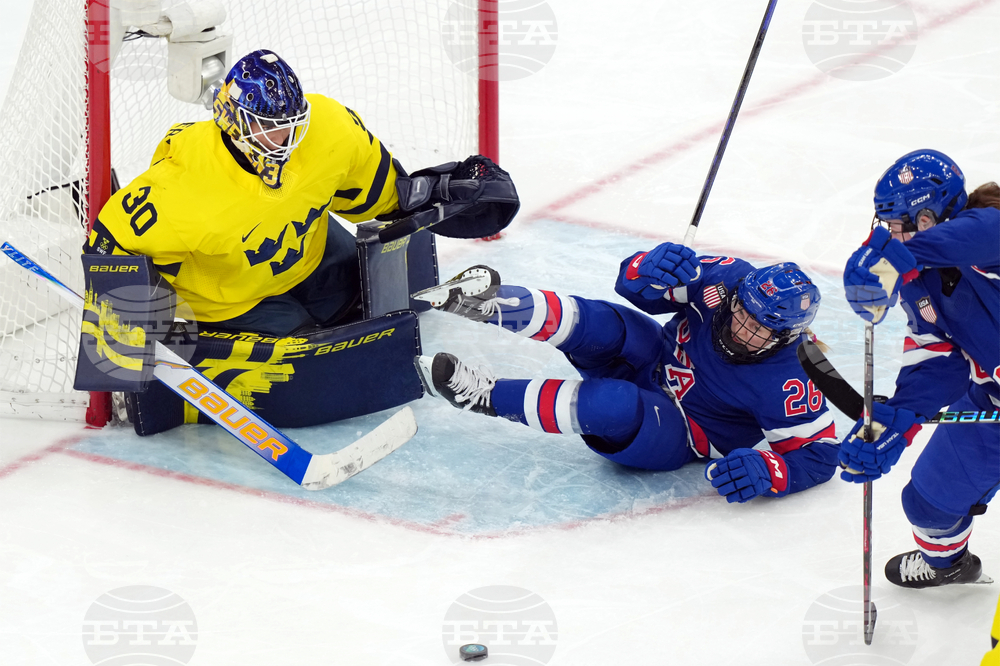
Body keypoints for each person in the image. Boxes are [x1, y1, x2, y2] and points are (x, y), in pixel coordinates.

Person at [83, 49, 515, 336]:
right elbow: (110, 245)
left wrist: (434, 192)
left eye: (292, 124)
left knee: (366, 317)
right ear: (233, 121)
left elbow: (379, 191)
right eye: (270, 128)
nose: (286, 139)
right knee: (308, 349)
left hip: (306, 252)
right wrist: (127, 350)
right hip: (232, 297)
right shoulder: (184, 184)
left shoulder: (328, 127)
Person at [414, 245, 840, 503]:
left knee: (611, 403)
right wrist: (648, 268)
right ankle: (487, 301)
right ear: (736, 297)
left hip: (683, 430)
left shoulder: (795, 376)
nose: (745, 331)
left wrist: (770, 472)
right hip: (654, 356)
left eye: (763, 329)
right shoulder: (726, 277)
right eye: (743, 315)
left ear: (789, 334)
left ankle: (484, 395)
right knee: (605, 323)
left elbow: (821, 456)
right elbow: (634, 288)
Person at [840, 149, 999, 588]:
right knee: (927, 505)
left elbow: (983, 234)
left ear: (929, 218)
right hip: (994, 403)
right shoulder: (921, 279)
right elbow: (939, 357)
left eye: (899, 224)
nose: (892, 235)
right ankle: (949, 565)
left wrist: (896, 260)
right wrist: (899, 417)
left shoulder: (986, 235)